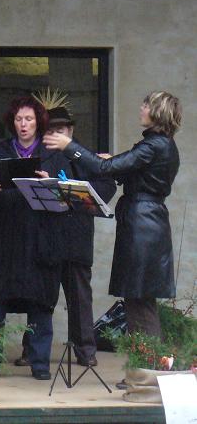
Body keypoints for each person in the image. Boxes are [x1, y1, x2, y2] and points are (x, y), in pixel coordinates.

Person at [44, 91, 181, 341]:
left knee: (138, 298)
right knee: (138, 298)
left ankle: (148, 367)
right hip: (148, 220)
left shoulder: (153, 145)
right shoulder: (163, 145)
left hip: (142, 224)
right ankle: (145, 366)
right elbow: (140, 175)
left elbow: (104, 169)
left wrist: (69, 146)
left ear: (157, 112)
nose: (141, 108)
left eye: (146, 104)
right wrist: (113, 162)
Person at [13, 97, 116, 368]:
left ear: (70, 131)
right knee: (41, 298)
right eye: (51, 130)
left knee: (80, 299)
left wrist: (80, 193)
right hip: (46, 237)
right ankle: (32, 350)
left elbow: (106, 186)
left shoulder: (84, 154)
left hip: (76, 236)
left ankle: (85, 350)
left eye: (61, 129)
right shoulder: (39, 155)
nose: (56, 134)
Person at [0, 96, 72, 381]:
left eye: (29, 119)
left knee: (40, 305)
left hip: (40, 239)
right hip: (2, 238)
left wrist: (51, 186)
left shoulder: (54, 155)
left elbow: (70, 199)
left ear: (38, 122)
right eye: (19, 119)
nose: (23, 125)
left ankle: (40, 363)